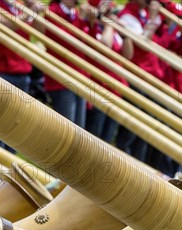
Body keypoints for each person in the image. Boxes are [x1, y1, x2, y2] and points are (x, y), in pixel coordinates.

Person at [0, 0, 42, 152]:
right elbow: (5, 27)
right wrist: (27, 13)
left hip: (21, 73)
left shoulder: (18, 5)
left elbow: (38, 33)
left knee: (15, 133)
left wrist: (36, 13)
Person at [114, 0, 165, 165]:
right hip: (135, 76)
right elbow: (141, 45)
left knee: (143, 129)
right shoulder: (129, 16)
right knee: (131, 129)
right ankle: (125, 164)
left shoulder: (141, 15)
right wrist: (153, 18)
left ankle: (140, 166)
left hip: (146, 78)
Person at [84, 0, 133, 144]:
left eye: (110, 11)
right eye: (107, 12)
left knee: (107, 138)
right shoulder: (93, 26)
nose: (110, 14)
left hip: (115, 89)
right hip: (99, 88)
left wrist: (125, 35)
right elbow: (105, 45)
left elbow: (128, 55)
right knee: (94, 139)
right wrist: (109, 25)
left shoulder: (111, 29)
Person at [43, 0, 90, 128]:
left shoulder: (75, 13)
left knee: (80, 130)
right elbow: (65, 40)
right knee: (67, 130)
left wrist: (91, 21)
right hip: (61, 79)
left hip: (79, 76)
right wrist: (81, 19)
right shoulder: (52, 11)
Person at [162, 1, 182, 99]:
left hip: (174, 81)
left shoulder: (180, 33)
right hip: (162, 78)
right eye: (179, 17)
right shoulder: (164, 29)